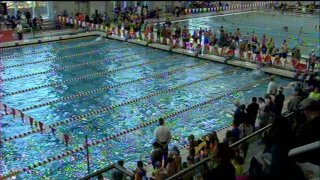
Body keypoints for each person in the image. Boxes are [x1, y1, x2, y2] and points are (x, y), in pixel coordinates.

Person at [295, 98, 320, 165]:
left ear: (307, 110)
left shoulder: (306, 127)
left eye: (304, 111)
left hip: (313, 162)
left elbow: (300, 147)